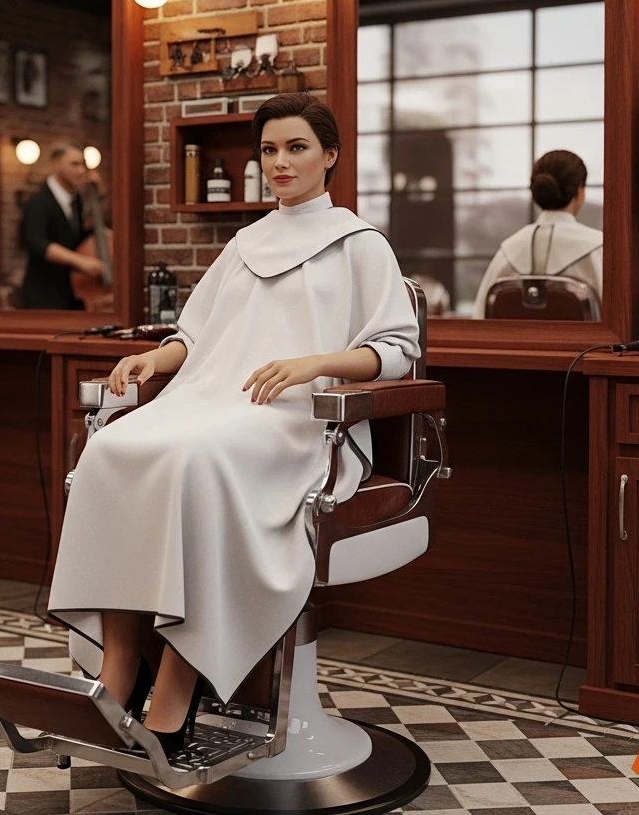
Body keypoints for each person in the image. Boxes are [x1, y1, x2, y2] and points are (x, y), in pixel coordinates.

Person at [48, 93, 420, 755]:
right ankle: (119, 663)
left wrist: (315, 363)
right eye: (270, 150)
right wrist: (151, 357)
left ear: (330, 155)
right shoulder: (246, 244)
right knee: (112, 448)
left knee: (199, 459)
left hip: (302, 423)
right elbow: (194, 337)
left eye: (297, 148)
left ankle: (178, 679)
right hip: (215, 403)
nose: (280, 162)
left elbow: (395, 352)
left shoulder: (361, 245)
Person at [472, 149, 603, 318]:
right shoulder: (598, 248)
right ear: (580, 192)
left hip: (515, 344)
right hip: (585, 345)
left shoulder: (509, 250)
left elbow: (480, 318)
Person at [19, 144, 107, 309]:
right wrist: (79, 261)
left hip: (72, 293)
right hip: (44, 296)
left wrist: (98, 197)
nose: (82, 171)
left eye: (83, 164)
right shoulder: (38, 202)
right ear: (56, 165)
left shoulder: (77, 202)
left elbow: (79, 239)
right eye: (75, 164)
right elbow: (36, 243)